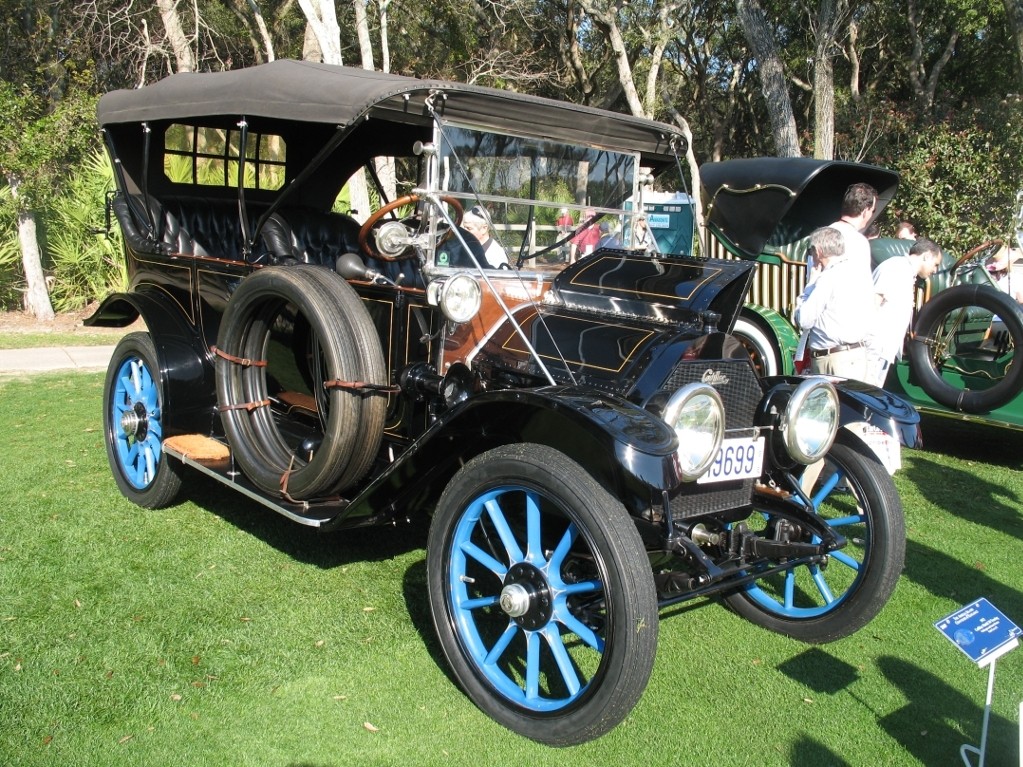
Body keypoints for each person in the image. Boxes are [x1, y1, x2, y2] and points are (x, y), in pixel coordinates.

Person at [794, 226, 873, 380]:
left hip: (833, 361)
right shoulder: (859, 272)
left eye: (811, 252)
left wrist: (810, 285)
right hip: (857, 355)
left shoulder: (828, 277)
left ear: (818, 251)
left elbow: (804, 320)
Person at [865, 237, 943, 387]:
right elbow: (874, 302)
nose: (935, 270)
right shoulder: (895, 268)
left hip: (883, 347)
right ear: (926, 256)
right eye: (935, 264)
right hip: (875, 347)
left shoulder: (904, 271)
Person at [810, 182, 877, 276]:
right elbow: (862, 284)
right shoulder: (859, 242)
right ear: (865, 211)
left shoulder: (821, 235)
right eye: (873, 210)